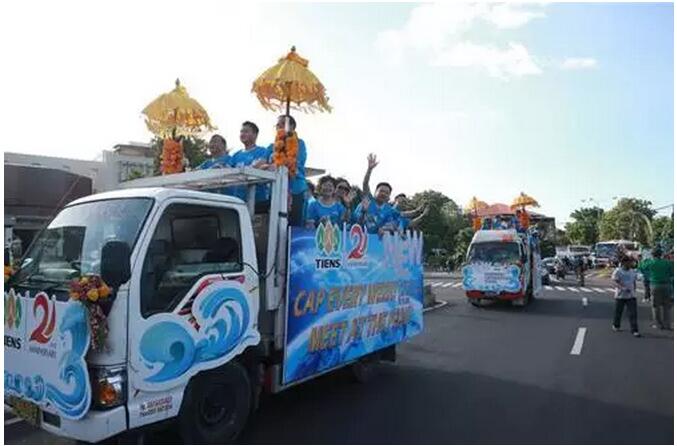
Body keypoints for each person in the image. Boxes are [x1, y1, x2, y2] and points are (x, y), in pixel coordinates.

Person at [264, 115, 308, 226]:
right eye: (277, 125)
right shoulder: (271, 146)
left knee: (293, 226)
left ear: (292, 126)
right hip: (275, 189)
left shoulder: (299, 143)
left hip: (295, 189)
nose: (279, 127)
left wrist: (277, 165)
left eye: (283, 124)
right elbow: (263, 162)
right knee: (274, 225)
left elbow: (293, 162)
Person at [227, 122, 272, 207]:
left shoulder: (263, 151)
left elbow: (262, 166)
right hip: (238, 201)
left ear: (255, 134)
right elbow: (228, 171)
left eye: (246, 131)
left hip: (257, 201)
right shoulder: (236, 155)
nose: (242, 134)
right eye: (241, 132)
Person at [353, 153, 399, 235]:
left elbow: (393, 225)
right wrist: (369, 169)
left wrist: (385, 229)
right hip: (359, 239)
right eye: (381, 191)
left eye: (386, 193)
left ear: (389, 196)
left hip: (376, 242)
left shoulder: (389, 210)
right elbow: (365, 184)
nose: (383, 194)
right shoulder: (368, 201)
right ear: (375, 192)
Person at [639, 247, 674, 330]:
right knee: (667, 306)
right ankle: (667, 324)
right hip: (667, 285)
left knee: (656, 306)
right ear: (661, 254)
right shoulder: (668, 263)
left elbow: (641, 268)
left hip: (655, 285)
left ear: (652, 255)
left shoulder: (651, 263)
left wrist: (642, 260)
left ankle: (658, 324)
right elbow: (672, 273)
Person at [611, 256, 640, 337]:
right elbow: (615, 282)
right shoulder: (618, 271)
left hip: (631, 296)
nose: (631, 263)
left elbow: (634, 282)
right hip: (620, 295)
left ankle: (635, 330)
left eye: (631, 262)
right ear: (624, 262)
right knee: (618, 312)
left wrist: (634, 290)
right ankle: (616, 325)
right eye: (629, 262)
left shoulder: (633, 271)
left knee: (633, 313)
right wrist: (622, 288)